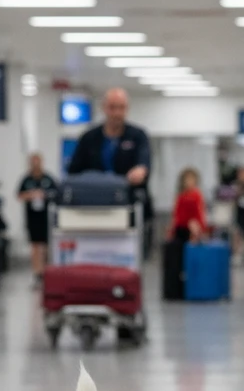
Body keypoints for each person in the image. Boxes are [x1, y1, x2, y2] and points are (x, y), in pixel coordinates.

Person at [67, 88, 154, 245]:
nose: (117, 113)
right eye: (112, 107)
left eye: (121, 108)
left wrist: (140, 170)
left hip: (129, 208)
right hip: (93, 211)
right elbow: (73, 171)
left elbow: (144, 162)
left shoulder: (138, 136)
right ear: (104, 108)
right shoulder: (89, 138)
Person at [17, 152, 58, 285]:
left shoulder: (48, 178)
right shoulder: (26, 179)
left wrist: (44, 195)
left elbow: (57, 193)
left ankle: (46, 271)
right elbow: (19, 195)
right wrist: (30, 195)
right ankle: (36, 272)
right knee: (34, 245)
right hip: (32, 216)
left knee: (46, 245)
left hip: (45, 217)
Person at [169, 167, 207, 243]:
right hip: (181, 227)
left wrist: (200, 227)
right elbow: (177, 213)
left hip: (193, 228)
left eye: (191, 179)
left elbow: (199, 212)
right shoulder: (180, 196)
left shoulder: (197, 195)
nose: (189, 182)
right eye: (187, 179)